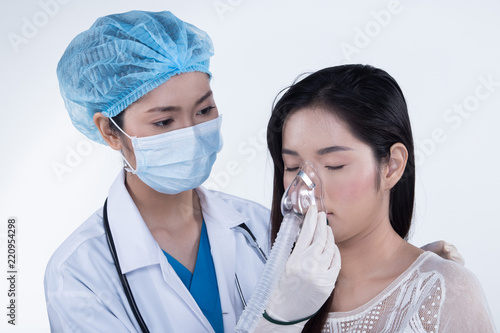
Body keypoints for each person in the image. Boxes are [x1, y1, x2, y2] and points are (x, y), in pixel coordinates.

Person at [44, 10, 339, 332]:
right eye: (164, 122)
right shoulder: (78, 272)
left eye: (204, 110)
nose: (194, 133)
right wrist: (280, 321)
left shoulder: (262, 228)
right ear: (110, 131)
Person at [266, 64, 496, 332]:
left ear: (393, 166)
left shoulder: (442, 295)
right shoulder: (276, 294)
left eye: (334, 165)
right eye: (292, 167)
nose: (306, 189)